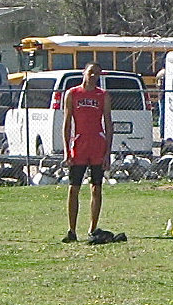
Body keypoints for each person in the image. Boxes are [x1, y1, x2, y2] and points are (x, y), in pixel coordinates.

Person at [62, 61, 113, 243]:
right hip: (79, 145)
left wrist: (108, 152)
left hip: (97, 145)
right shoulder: (72, 94)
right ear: (84, 72)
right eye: (91, 72)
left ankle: (92, 228)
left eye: (97, 74)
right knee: (73, 187)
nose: (93, 76)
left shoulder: (103, 95)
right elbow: (67, 123)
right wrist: (67, 149)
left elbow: (108, 122)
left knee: (96, 188)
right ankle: (72, 230)